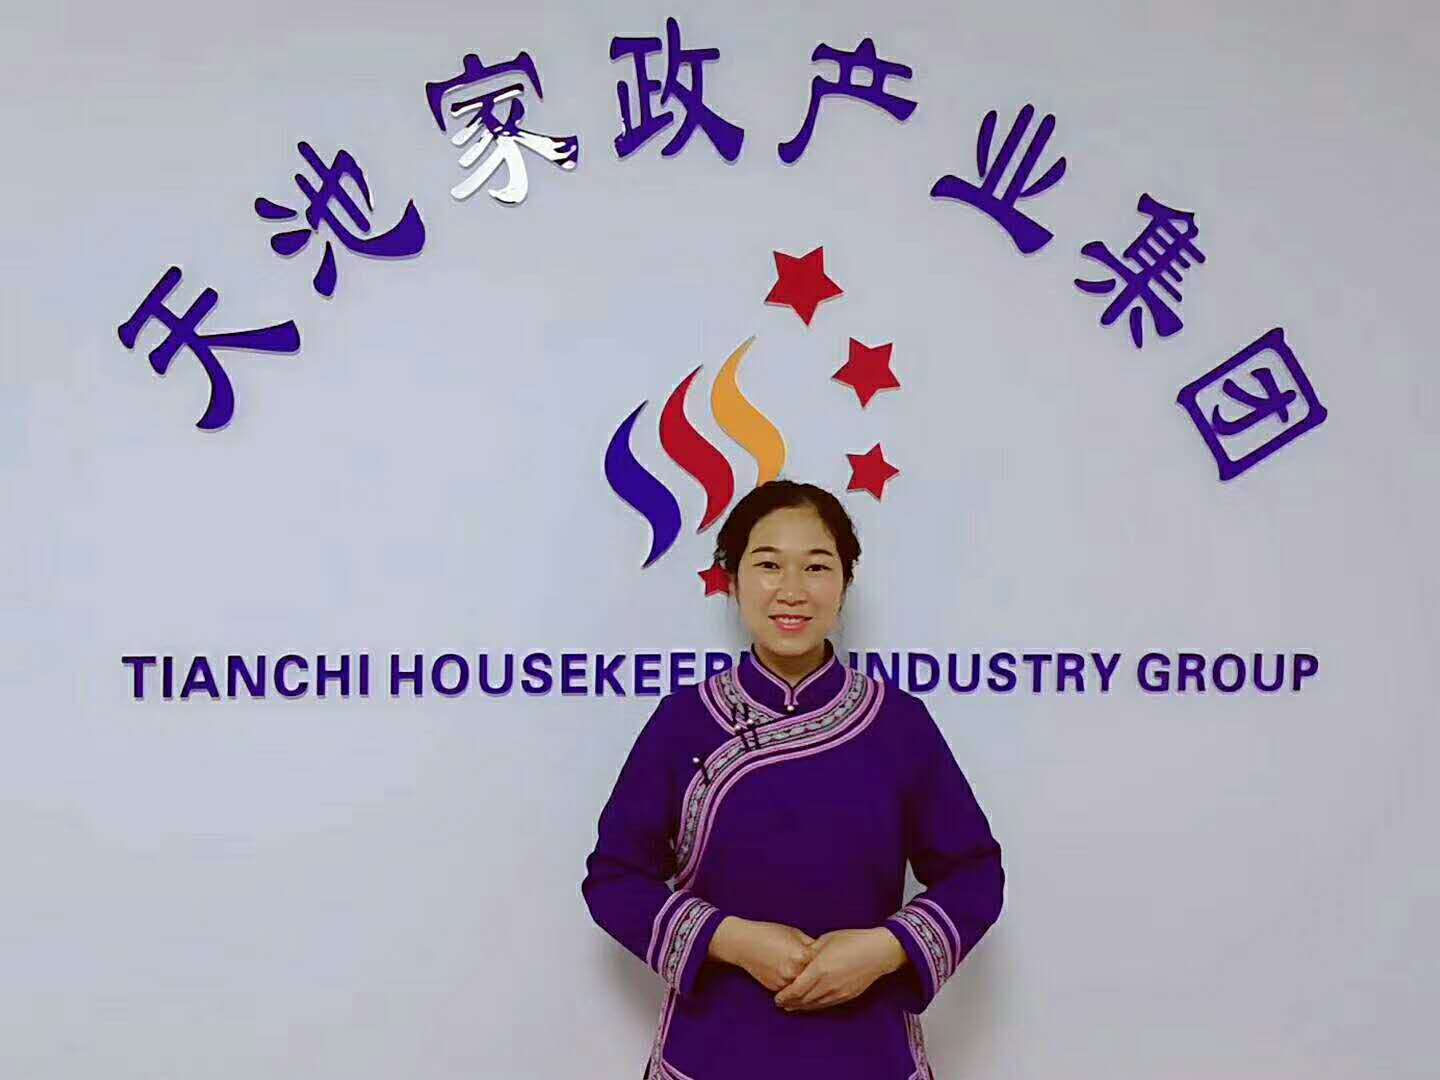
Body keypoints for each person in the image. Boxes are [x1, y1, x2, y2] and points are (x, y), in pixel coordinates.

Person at [581, 480, 1004, 1079]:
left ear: (845, 584)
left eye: (816, 567)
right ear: (733, 581)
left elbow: (974, 873)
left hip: (868, 1050)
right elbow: (615, 877)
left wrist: (884, 948)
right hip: (710, 1052)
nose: (792, 590)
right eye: (768, 564)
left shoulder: (897, 723)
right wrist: (731, 939)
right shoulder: (684, 721)